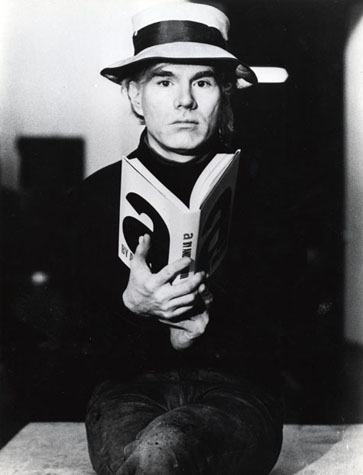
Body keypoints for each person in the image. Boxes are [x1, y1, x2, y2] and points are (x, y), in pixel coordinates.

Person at [60, 2, 301, 474]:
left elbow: (295, 331)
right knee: (153, 456)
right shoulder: (91, 199)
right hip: (128, 389)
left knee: (166, 449)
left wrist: (211, 325)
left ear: (224, 95)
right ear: (134, 96)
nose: (185, 101)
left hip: (236, 391)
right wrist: (132, 309)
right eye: (164, 81)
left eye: (203, 82)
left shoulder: (267, 197)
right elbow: (65, 338)